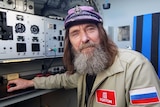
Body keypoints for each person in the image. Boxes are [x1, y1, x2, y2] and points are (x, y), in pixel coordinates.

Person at [7, 5, 160, 107]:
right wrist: (30, 83)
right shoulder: (86, 68)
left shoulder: (135, 66)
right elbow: (62, 80)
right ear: (70, 42)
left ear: (102, 33)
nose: (84, 38)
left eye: (90, 29)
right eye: (75, 33)